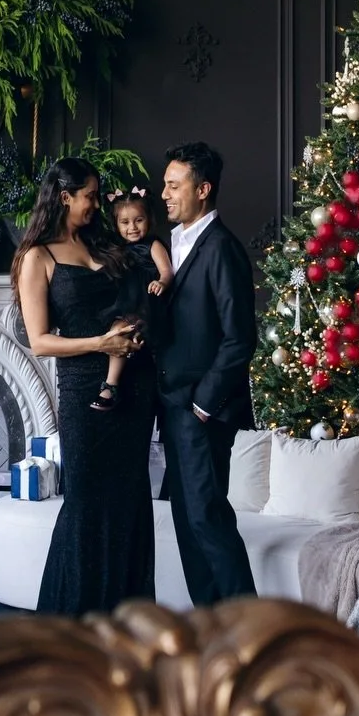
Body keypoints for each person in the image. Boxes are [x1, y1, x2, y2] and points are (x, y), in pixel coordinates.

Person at [13, 157, 157, 613]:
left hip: (133, 390)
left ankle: (127, 622)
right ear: (64, 196)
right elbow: (40, 342)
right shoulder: (38, 257)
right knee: (86, 506)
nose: (97, 203)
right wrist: (102, 344)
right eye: (91, 196)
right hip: (85, 395)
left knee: (132, 505)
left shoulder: (106, 244)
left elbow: (142, 288)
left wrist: (132, 333)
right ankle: (73, 624)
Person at [152, 141, 258, 605]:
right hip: (171, 404)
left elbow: (240, 339)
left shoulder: (223, 250)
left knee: (207, 518)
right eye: (165, 185)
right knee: (186, 520)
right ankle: (210, 625)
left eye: (175, 186)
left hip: (201, 410)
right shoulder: (171, 243)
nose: (164, 194)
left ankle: (249, 631)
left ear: (204, 189)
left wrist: (201, 404)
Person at [90, 188, 172, 415]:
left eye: (138, 220)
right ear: (116, 224)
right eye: (124, 222)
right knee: (118, 331)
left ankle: (110, 386)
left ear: (149, 220)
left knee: (122, 330)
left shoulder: (153, 245)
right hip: (126, 301)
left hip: (146, 302)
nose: (132, 227)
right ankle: (112, 384)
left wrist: (161, 283)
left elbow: (167, 271)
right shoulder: (118, 248)